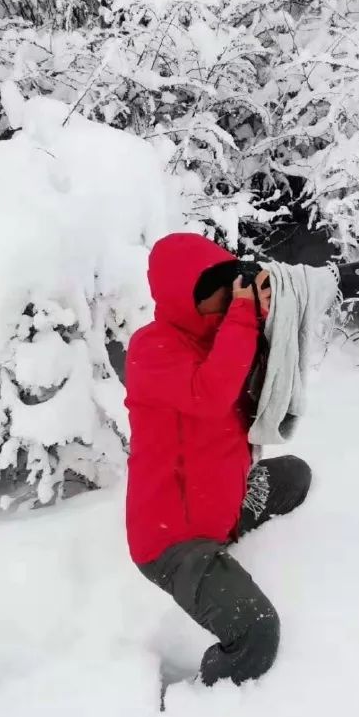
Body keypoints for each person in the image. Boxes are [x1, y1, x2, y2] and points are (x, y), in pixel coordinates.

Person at [125, 232, 313, 687]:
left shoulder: (223, 337)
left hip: (221, 505)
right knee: (257, 632)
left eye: (233, 285)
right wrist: (244, 318)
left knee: (295, 474)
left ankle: (230, 525)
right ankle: (204, 706)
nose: (230, 296)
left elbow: (258, 390)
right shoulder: (151, 348)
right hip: (173, 540)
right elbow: (210, 394)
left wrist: (271, 317)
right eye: (218, 291)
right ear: (184, 296)